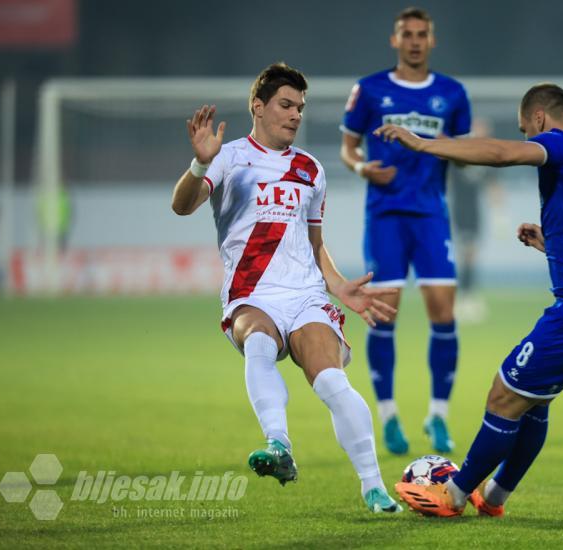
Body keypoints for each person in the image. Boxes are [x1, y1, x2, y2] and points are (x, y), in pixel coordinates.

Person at [378, 83, 563, 517]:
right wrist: (556, 243)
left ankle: (455, 494)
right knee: (533, 401)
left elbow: (501, 155)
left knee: (503, 395)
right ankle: (494, 497)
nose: (526, 139)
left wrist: (422, 144)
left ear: (540, 118)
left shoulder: (562, 144)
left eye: (526, 130)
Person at [171, 62, 402, 514]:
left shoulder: (310, 170)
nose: (295, 114)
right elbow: (182, 206)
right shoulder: (229, 156)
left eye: (300, 106)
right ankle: (279, 445)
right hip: (251, 294)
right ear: (258, 107)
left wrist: (339, 288)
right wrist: (200, 161)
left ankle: (373, 487)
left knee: (333, 381)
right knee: (257, 340)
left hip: (305, 295)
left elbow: (315, 243)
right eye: (285, 105)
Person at [340, 6, 472, 455]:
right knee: (384, 315)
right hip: (385, 217)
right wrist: (361, 168)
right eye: (407, 34)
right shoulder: (370, 89)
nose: (415, 41)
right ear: (394, 40)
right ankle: (390, 416)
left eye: (422, 34)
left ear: (431, 41)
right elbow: (347, 146)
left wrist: (451, 151)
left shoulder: (453, 93)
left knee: (444, 314)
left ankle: (438, 416)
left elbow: (462, 149)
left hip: (432, 216)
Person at [449, 118, 497, 324]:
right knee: (466, 254)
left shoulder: (485, 159)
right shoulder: (459, 156)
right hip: (460, 210)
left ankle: (467, 296)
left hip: (476, 212)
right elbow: (446, 182)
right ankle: (463, 298)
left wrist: (500, 215)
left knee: (471, 255)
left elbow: (493, 185)